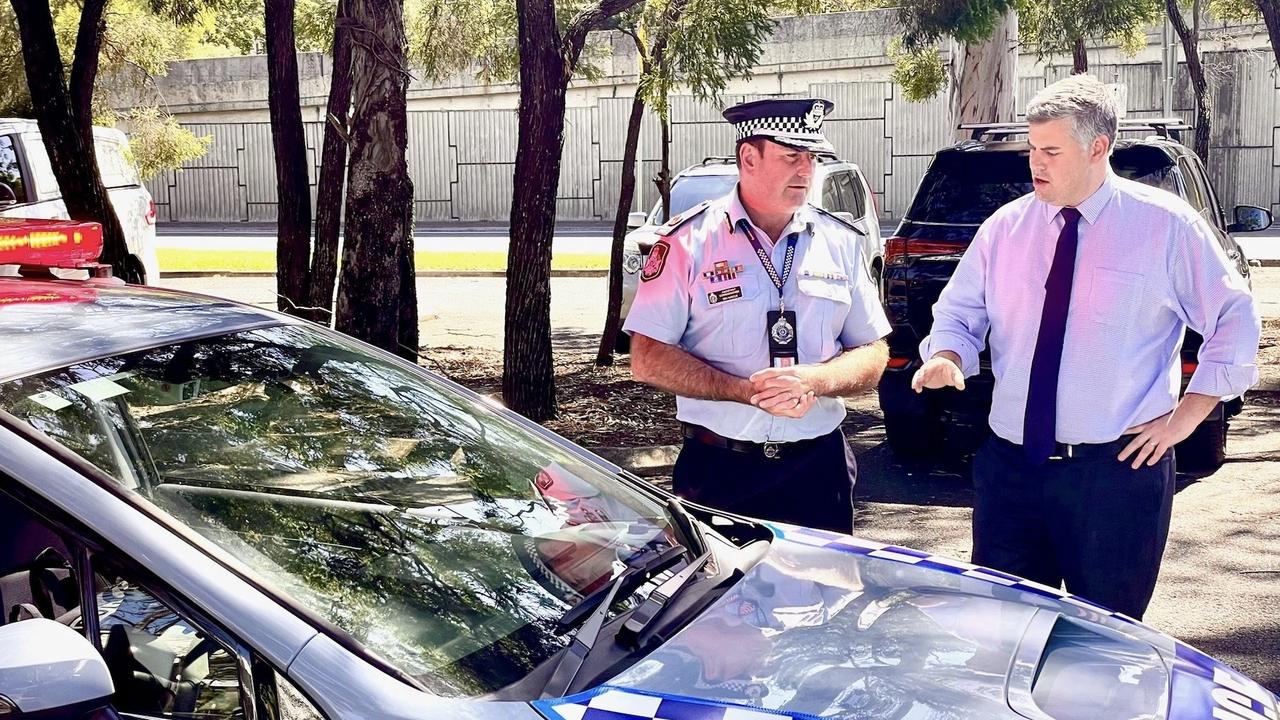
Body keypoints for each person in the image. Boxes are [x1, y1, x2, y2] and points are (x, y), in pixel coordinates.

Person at [912, 74, 1260, 619]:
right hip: (1011, 469)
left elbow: (1234, 318)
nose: (1035, 163)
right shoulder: (1005, 227)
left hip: (1115, 475)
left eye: (1051, 150)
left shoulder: (1164, 226)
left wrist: (1185, 420)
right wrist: (948, 354)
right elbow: (960, 310)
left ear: (1098, 147)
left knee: (1105, 642)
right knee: (1003, 635)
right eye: (1032, 148)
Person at [623, 97, 890, 534]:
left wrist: (816, 381)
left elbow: (873, 350)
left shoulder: (839, 241)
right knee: (718, 599)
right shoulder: (688, 242)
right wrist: (745, 392)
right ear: (749, 156)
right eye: (791, 156)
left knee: (825, 599)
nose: (806, 170)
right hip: (720, 472)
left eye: (812, 157)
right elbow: (647, 356)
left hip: (818, 471)